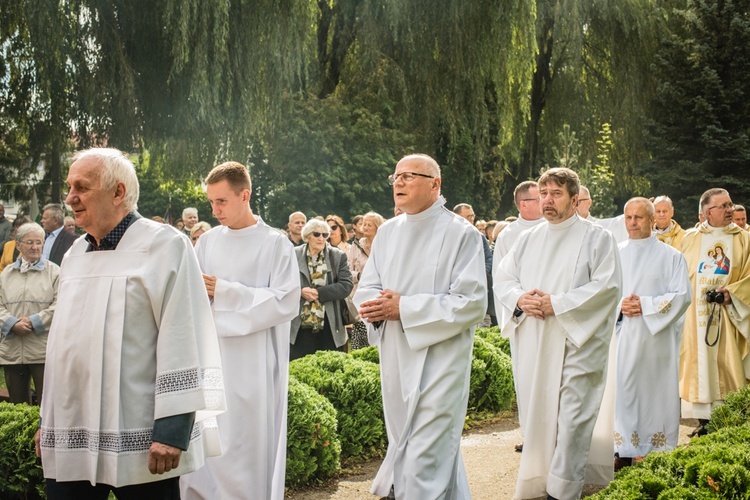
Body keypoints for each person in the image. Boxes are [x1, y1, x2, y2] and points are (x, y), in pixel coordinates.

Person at [36, 148, 225, 499]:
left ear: (118, 192)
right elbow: (62, 345)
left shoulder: (166, 245)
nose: (70, 198)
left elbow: (186, 335)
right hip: (72, 426)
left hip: (142, 432)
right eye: (69, 187)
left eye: (81, 187)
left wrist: (172, 429)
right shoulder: (75, 253)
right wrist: (47, 421)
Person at [354, 153, 486, 499]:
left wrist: (406, 308)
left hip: (441, 362)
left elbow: (472, 303)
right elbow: (367, 286)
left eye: (408, 176)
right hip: (397, 356)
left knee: (429, 450)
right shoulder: (387, 233)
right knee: (414, 445)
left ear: (435, 184)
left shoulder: (462, 234)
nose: (398, 182)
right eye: (395, 176)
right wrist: (376, 307)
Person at [494, 167, 622, 500]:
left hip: (579, 343)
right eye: (543, 194)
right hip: (537, 344)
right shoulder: (528, 237)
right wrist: (520, 299)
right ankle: (539, 481)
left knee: (573, 419)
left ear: (575, 199)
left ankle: (563, 491)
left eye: (556, 194)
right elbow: (503, 280)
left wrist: (558, 304)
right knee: (541, 418)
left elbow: (607, 288)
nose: (547, 201)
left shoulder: (598, 237)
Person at [181, 161, 300, 500]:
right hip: (212, 357)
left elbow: (286, 302)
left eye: (222, 201)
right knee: (209, 436)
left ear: (244, 195)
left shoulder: (275, 244)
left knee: (247, 442)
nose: (215, 210)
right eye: (211, 203)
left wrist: (226, 290)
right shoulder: (206, 243)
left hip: (254, 363)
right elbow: (193, 298)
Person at [613, 198, 691, 470]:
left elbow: (682, 295)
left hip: (655, 342)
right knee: (622, 391)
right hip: (621, 336)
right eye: (628, 217)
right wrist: (619, 305)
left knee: (654, 393)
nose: (633, 223)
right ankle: (621, 450)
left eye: (639, 217)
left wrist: (645, 305)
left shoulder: (671, 256)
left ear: (651, 219)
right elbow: (600, 293)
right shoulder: (613, 253)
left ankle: (657, 452)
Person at [679, 188, 750, 437]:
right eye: (724, 206)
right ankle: (704, 423)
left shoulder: (744, 239)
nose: (731, 209)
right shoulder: (689, 238)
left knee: (727, 365)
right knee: (700, 368)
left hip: (731, 316)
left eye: (731, 205)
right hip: (695, 318)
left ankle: (729, 423)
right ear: (708, 212)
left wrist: (732, 293)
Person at [0, 222, 59, 405]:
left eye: (39, 242)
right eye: (30, 242)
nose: (35, 247)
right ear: (18, 245)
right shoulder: (7, 273)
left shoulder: (54, 272)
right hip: (13, 349)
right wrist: (11, 323)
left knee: (46, 406)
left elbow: (61, 304)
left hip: (42, 348)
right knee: (18, 405)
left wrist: (34, 321)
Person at [290, 219, 353, 360]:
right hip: (299, 323)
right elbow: (282, 283)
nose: (321, 238)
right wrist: (300, 291)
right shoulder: (293, 254)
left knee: (331, 366)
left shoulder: (337, 255)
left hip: (330, 323)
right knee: (299, 366)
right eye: (317, 234)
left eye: (325, 235)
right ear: (307, 236)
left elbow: (346, 285)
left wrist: (319, 293)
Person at [347, 211, 384, 350]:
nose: (365, 227)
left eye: (369, 225)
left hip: (379, 296)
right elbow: (346, 271)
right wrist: (359, 276)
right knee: (360, 343)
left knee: (378, 340)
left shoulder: (383, 245)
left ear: (377, 227)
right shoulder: (355, 246)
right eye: (363, 224)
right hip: (359, 297)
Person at [454, 203, 494, 326]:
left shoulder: (480, 237)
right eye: (468, 216)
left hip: (478, 287)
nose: (471, 219)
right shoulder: (450, 236)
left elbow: (489, 259)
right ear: (457, 216)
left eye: (472, 216)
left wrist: (479, 273)